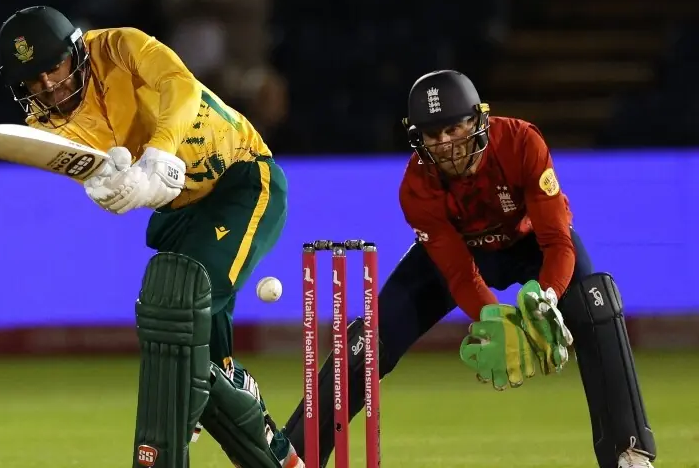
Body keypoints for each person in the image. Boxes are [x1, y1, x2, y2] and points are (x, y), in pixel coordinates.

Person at [281, 70, 657, 468]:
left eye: (453, 129)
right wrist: (495, 319)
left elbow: (557, 241)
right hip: (463, 252)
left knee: (596, 304)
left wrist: (546, 301)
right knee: (370, 339)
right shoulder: (416, 187)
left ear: (477, 120)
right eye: (432, 135)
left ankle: (628, 453)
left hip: (529, 243)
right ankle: (292, 456)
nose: (445, 145)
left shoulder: (521, 141)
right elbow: (460, 274)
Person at [0, 5, 302, 468]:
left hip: (240, 177)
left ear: (75, 50)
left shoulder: (119, 46)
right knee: (200, 357)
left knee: (179, 309)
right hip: (179, 211)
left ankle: (174, 425)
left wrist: (160, 152)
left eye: (53, 68)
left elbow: (180, 85)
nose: (48, 86)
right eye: (32, 81)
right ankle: (278, 455)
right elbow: (97, 168)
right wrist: (108, 186)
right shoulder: (44, 123)